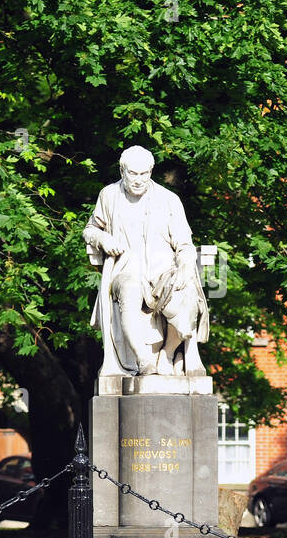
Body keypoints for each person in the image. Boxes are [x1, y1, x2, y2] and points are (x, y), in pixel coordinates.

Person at [83, 145, 209, 377]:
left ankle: (168, 353)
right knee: (130, 288)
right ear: (122, 171)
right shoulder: (109, 196)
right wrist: (102, 237)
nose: (139, 180)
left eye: (144, 174)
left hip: (163, 272)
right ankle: (144, 361)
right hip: (126, 271)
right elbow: (90, 230)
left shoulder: (169, 200)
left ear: (151, 172)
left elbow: (185, 245)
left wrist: (183, 268)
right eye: (133, 173)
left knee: (188, 292)